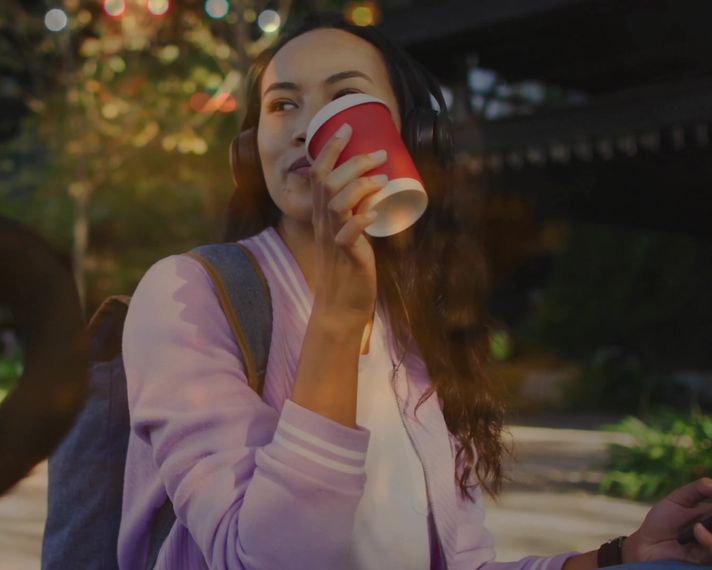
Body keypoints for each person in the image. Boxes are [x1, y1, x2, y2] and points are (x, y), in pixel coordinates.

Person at [117, 15, 712, 570]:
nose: (306, 129)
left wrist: (617, 556)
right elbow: (266, 557)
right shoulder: (187, 295)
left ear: (413, 140)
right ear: (250, 151)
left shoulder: (414, 328)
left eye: (346, 97)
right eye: (282, 105)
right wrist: (337, 319)